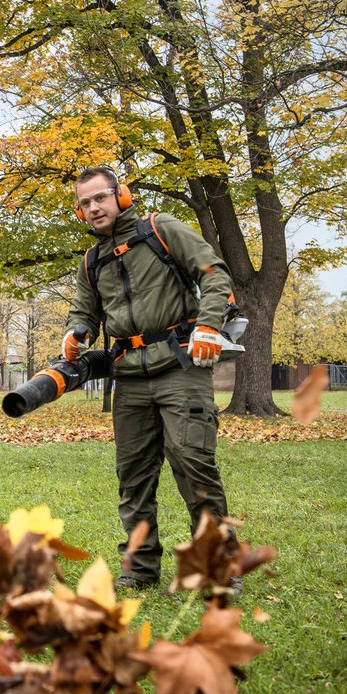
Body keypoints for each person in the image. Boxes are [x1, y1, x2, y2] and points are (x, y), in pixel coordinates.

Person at [65, 166, 235, 591]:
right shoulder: (92, 260)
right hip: (130, 379)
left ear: (121, 195)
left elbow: (214, 274)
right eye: (84, 203)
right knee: (134, 476)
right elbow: (84, 311)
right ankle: (139, 569)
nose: (93, 208)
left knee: (193, 463)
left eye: (99, 197)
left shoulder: (161, 229)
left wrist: (209, 325)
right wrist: (76, 331)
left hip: (181, 367)